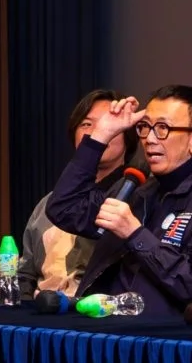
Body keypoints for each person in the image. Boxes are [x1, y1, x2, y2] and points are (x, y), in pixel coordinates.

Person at [46, 85, 192, 316]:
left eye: (162, 128)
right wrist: (100, 136)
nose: (149, 139)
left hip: (163, 335)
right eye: (145, 127)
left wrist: (135, 235)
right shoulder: (137, 188)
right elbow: (64, 208)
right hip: (99, 326)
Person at [18, 89, 143, 297]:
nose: (98, 132)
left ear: (128, 136)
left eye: (109, 124)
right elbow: (25, 274)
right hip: (40, 309)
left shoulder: (133, 199)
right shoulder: (49, 202)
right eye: (86, 124)